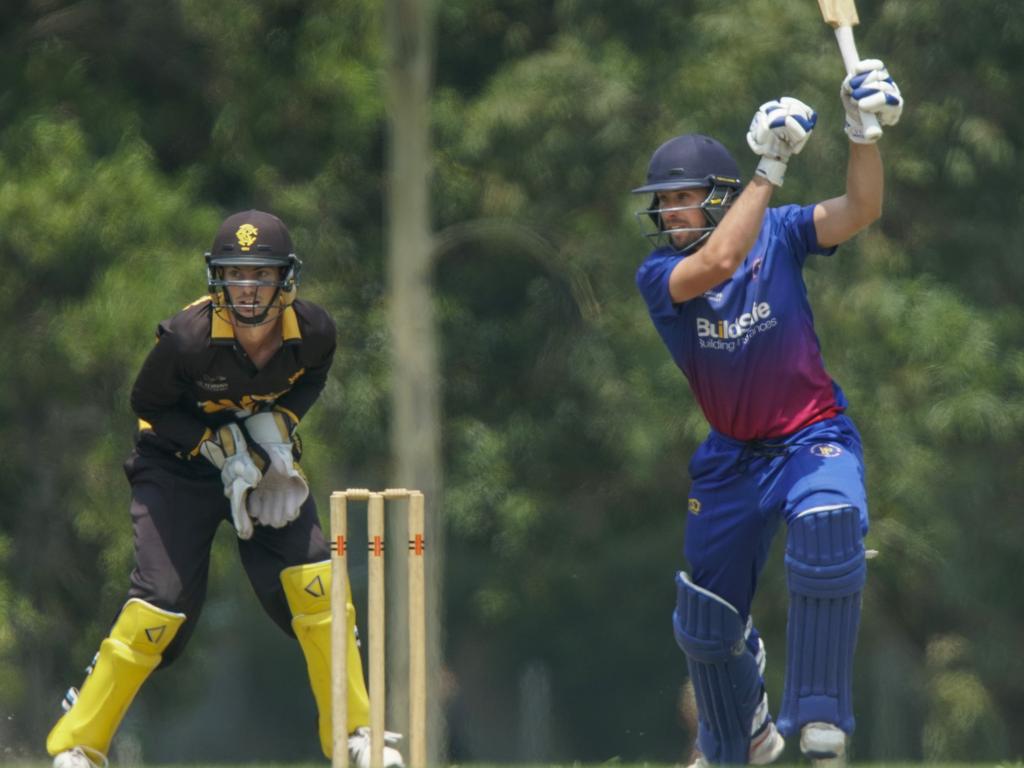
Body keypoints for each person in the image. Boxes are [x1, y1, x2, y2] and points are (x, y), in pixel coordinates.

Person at [46, 210, 404, 768]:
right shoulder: (186, 339)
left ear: (285, 281)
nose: (247, 289)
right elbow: (148, 406)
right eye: (236, 274)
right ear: (218, 278)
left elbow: (312, 378)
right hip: (175, 469)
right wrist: (216, 446)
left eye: (260, 275)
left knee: (318, 583)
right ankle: (78, 746)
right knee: (159, 607)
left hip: (259, 464)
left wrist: (278, 430)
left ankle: (356, 736)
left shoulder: (313, 332)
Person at [633, 60, 903, 767]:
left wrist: (861, 131)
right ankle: (738, 739)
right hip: (731, 457)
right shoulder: (660, 275)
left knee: (828, 525)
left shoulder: (780, 232)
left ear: (720, 199)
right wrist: (770, 164)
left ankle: (820, 712)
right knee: (704, 620)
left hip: (813, 435)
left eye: (684, 199)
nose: (669, 214)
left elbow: (860, 209)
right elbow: (719, 263)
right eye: (663, 202)